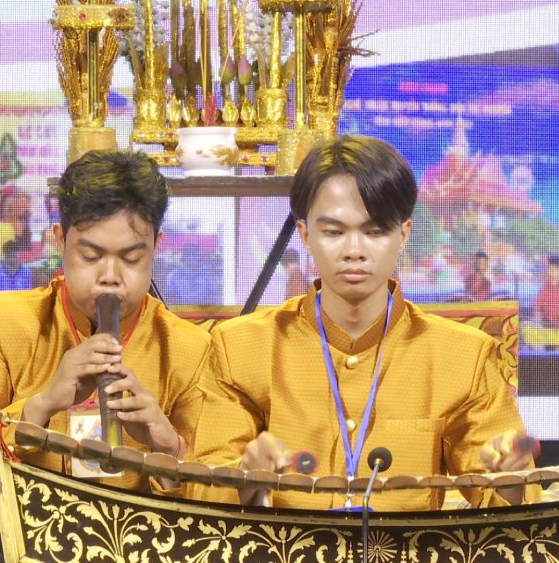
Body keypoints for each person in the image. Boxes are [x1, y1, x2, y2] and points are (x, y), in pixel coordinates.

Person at [191, 135, 537, 511]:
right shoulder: (241, 347)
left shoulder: (463, 356)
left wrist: (511, 480)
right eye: (334, 232)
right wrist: (245, 476)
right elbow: (204, 494)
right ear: (306, 235)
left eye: (374, 232)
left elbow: (512, 516)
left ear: (403, 235)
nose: (354, 251)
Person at [0, 150, 211, 558]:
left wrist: (166, 443)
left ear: (156, 245)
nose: (110, 276)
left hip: (138, 544)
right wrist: (40, 406)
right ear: (60, 241)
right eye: (91, 255)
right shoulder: (6, 320)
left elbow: (217, 498)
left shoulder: (189, 348)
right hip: (13, 541)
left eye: (132, 258)